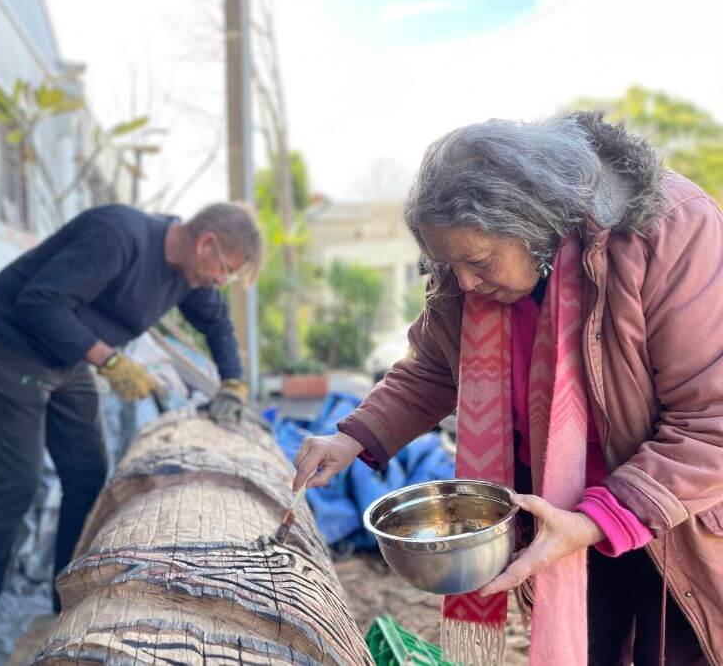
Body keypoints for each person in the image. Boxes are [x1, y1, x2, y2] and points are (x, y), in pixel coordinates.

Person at [293, 113, 722, 665]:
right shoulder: (464, 274)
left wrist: (599, 518)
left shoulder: (671, 230)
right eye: (450, 266)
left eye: (477, 261)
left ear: (532, 223)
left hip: (671, 513)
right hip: (554, 510)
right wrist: (351, 438)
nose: (464, 283)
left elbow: (708, 424)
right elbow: (433, 368)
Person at [0, 202, 262, 665]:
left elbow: (215, 322)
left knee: (88, 476)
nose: (220, 281)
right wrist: (109, 360)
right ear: (206, 242)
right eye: (224, 269)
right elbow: (40, 302)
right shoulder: (119, 235)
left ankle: (64, 610)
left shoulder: (188, 275)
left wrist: (233, 382)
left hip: (64, 358)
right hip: (8, 347)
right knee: (16, 487)